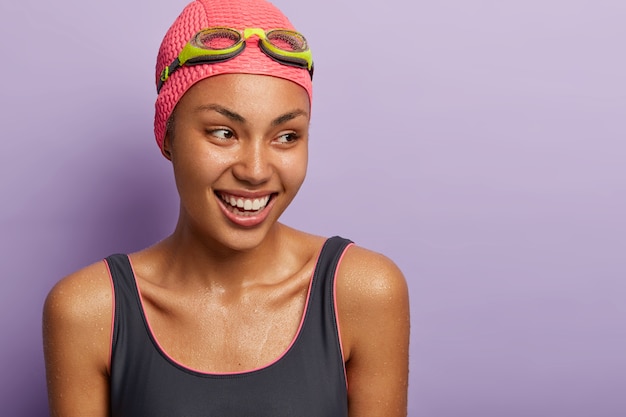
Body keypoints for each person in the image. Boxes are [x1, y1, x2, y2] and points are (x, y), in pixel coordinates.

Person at [42, 0, 410, 415]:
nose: (255, 171)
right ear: (167, 136)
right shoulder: (90, 310)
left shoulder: (362, 292)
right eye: (223, 132)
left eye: (287, 136)